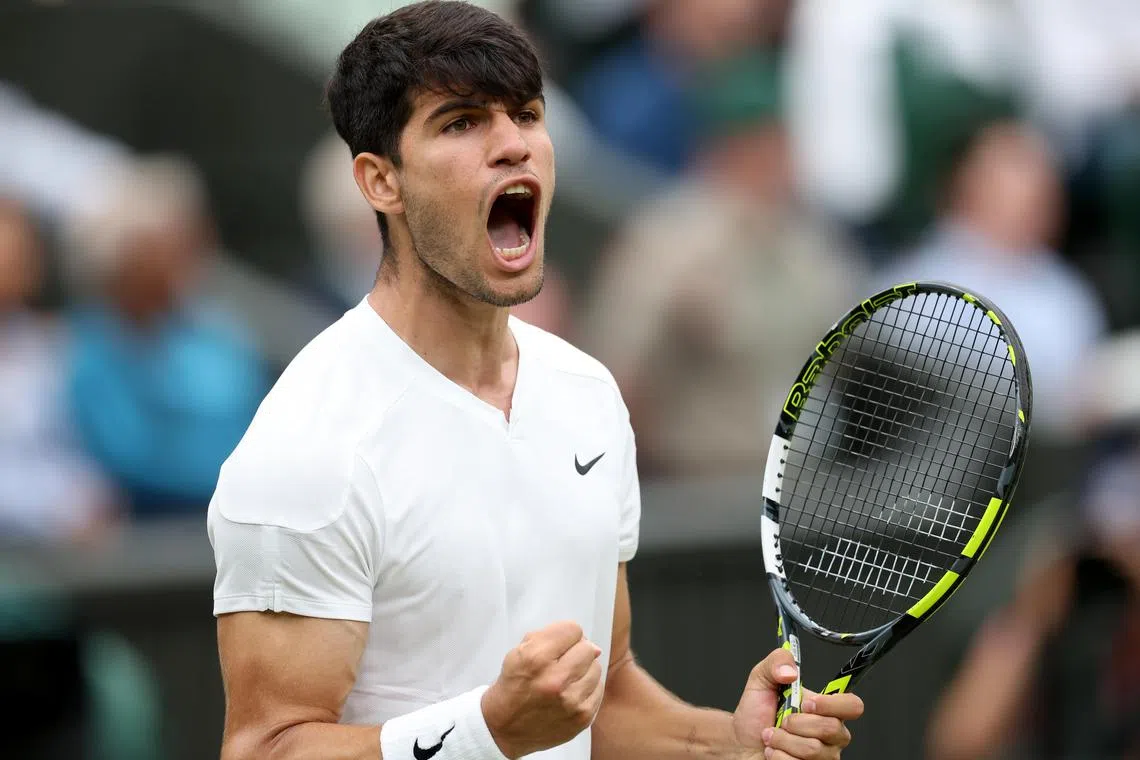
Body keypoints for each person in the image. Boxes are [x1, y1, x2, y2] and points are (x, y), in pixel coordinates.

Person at [207, 4, 864, 760]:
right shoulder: (309, 444)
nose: (512, 145)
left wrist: (730, 742)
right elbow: (266, 749)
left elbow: (606, 700)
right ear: (379, 181)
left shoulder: (586, 397)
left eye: (525, 114)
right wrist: (484, 733)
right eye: (461, 123)